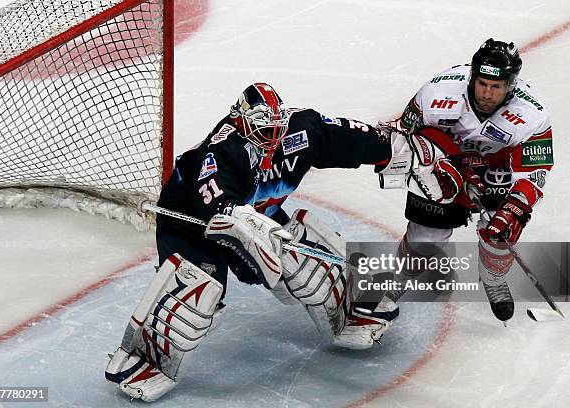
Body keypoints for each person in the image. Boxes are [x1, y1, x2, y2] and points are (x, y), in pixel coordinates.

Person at [104, 82, 403, 401]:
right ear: (240, 120)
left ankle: (347, 309)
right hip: (193, 222)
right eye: (262, 129)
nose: (272, 137)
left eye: (276, 128)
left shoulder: (302, 129)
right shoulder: (222, 150)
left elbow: (351, 137)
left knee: (302, 264)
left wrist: (397, 149)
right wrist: (248, 226)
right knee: (196, 294)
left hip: (256, 215)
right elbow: (220, 205)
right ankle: (144, 360)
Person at [377, 39, 554, 322]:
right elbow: (399, 136)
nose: (486, 93)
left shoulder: (531, 113)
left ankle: (493, 278)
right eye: (482, 83)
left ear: (511, 85)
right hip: (441, 167)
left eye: (496, 87)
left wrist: (514, 209)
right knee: (425, 238)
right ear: (472, 77)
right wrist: (432, 163)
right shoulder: (437, 93)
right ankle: (400, 277)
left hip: (497, 172)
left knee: (502, 231)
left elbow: (534, 172)